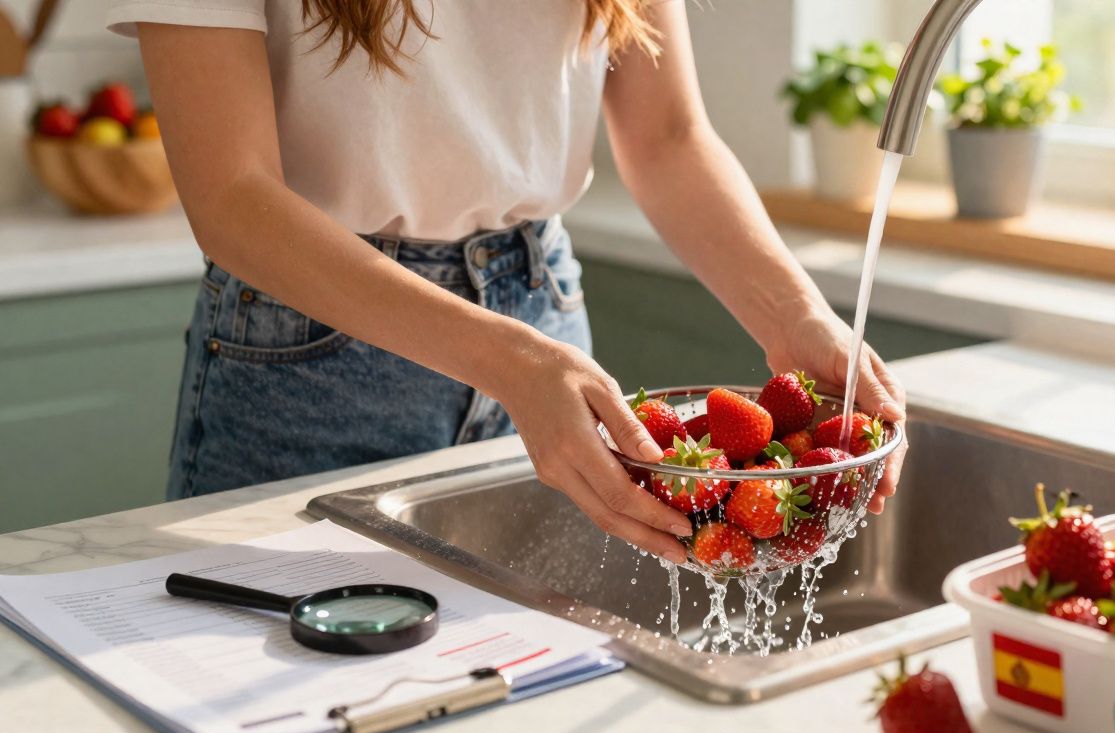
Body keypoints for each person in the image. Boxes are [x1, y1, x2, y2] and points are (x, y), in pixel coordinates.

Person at [105, 0, 906, 565]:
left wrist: (793, 313)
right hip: (313, 357)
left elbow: (667, 136)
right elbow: (231, 197)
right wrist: (511, 361)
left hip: (542, 316)